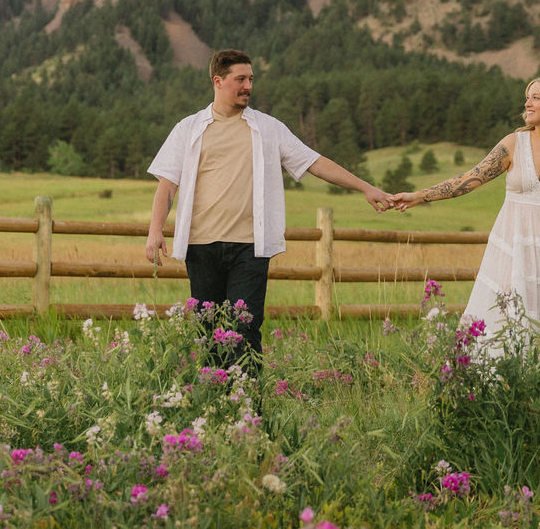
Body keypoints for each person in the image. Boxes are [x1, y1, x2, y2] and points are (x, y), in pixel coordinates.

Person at [146, 49, 391, 367]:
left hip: (250, 248)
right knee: (208, 331)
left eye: (251, 79)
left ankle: (248, 411)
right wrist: (155, 231)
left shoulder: (268, 128)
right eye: (240, 79)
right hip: (201, 246)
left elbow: (314, 162)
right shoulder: (189, 129)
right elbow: (167, 184)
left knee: (245, 329)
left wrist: (366, 187)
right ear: (218, 81)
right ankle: (216, 406)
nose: (248, 85)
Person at [389, 76, 540, 347]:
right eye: (527, 96)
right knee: (504, 318)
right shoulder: (514, 144)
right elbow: (469, 179)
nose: (527, 103)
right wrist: (419, 195)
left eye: (535, 97)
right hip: (513, 248)